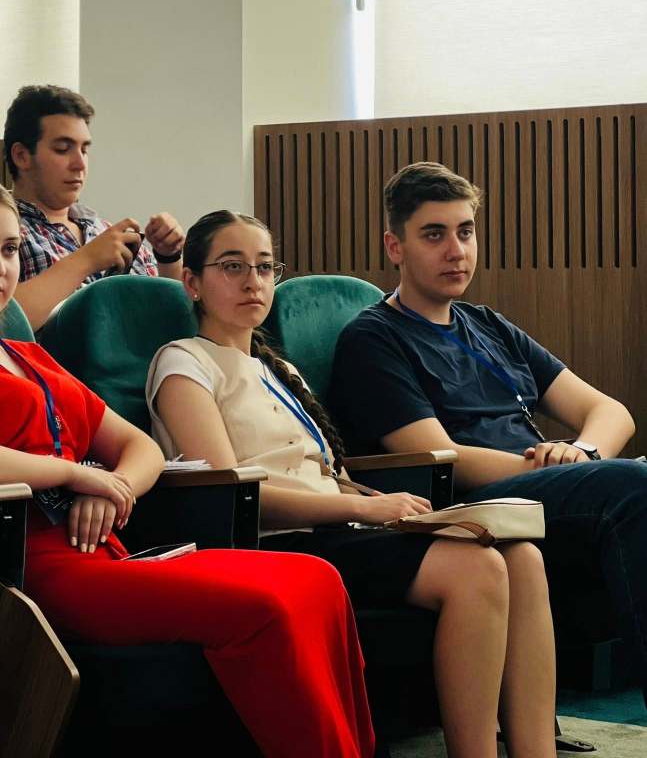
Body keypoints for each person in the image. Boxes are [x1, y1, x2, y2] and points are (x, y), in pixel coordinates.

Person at [0, 173, 375, 758]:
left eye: (9, 249)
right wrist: (75, 474)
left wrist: (111, 490)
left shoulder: (29, 358)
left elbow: (143, 448)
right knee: (264, 606)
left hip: (107, 548)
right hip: (25, 572)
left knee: (317, 578)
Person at [148, 210, 558, 758]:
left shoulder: (279, 370)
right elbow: (230, 493)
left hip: (340, 528)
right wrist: (364, 510)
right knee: (478, 568)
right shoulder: (184, 363)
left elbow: (327, 475)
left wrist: (379, 503)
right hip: (280, 544)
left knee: (522, 557)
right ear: (192, 283)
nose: (253, 282)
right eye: (232, 267)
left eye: (265, 267)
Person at [329, 160, 647, 705]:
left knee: (630, 477)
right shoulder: (373, 338)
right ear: (394, 246)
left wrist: (581, 452)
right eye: (434, 235)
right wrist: (553, 466)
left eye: (466, 232)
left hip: (545, 487)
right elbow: (435, 455)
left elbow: (611, 411)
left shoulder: (488, 325)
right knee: (632, 486)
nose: (456, 251)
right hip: (469, 507)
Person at [4, 85, 186, 329]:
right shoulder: (4, 235)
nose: (80, 163)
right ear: (21, 156)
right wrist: (87, 260)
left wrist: (169, 258)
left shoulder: (105, 232)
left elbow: (177, 318)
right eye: (63, 149)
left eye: (84, 149)